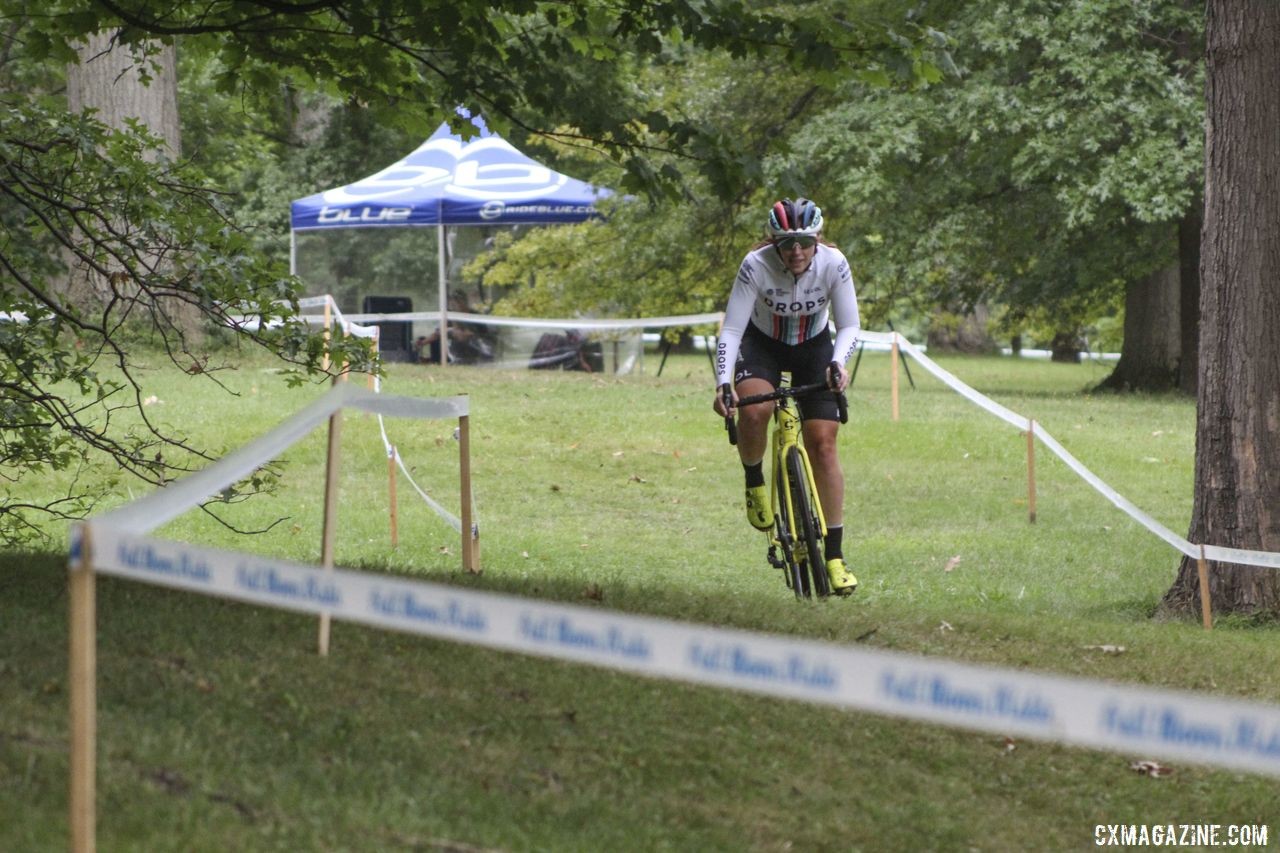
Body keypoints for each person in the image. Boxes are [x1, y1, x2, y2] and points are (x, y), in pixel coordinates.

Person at [712, 197, 861, 594]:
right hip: (762, 345)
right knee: (756, 410)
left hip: (814, 346)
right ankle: (753, 479)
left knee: (824, 444)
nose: (796, 251)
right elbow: (731, 331)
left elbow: (849, 325)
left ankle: (834, 555)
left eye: (804, 242)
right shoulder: (755, 266)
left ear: (816, 239)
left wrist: (839, 364)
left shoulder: (834, 263)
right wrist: (722, 382)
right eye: (786, 243)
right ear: (773, 242)